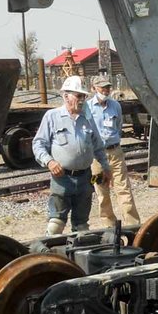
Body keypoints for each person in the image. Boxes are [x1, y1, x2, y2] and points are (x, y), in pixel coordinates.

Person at [32, 75, 112, 235]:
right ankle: (51, 257)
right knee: (56, 224)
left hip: (84, 179)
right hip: (62, 179)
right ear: (66, 96)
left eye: (83, 96)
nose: (82, 100)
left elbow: (98, 146)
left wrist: (105, 166)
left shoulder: (87, 119)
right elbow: (38, 144)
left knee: (82, 227)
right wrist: (49, 162)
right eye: (78, 96)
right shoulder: (52, 117)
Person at [87, 75, 141, 227]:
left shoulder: (115, 106)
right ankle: (108, 226)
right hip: (97, 157)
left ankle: (132, 224)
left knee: (124, 188)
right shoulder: (87, 108)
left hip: (115, 153)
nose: (106, 90)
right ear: (93, 88)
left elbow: (118, 127)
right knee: (101, 191)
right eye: (102, 87)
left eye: (107, 87)